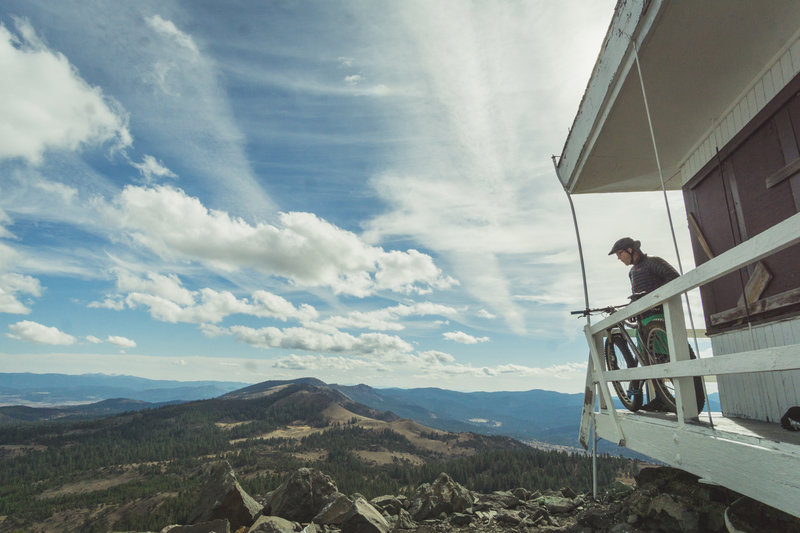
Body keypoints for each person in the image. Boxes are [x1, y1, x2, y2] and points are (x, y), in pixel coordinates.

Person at [608, 237, 679, 411]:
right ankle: (664, 398)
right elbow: (637, 294)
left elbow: (674, 277)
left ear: (630, 250)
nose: (619, 258)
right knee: (651, 360)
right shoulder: (632, 272)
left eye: (620, 254)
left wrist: (653, 296)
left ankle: (682, 397)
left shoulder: (653, 262)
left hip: (659, 314)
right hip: (644, 318)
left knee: (665, 357)